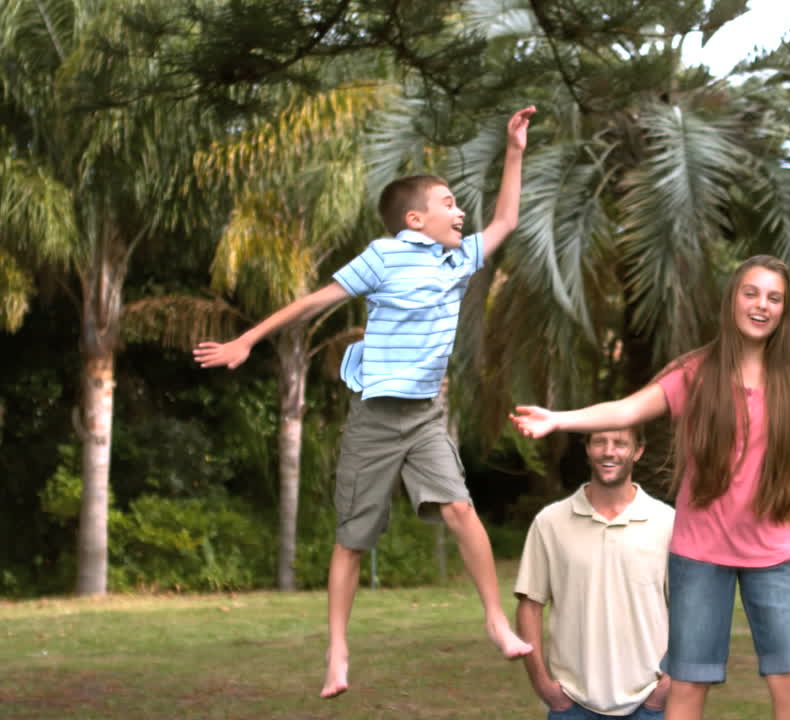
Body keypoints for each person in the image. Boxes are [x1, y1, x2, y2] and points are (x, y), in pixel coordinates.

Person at [194, 106, 538, 699]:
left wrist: (514, 150)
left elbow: (507, 218)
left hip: (425, 416)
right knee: (352, 539)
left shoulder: (459, 258)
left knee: (460, 509)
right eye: (449, 203)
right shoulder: (383, 255)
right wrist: (246, 340)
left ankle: (495, 621)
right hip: (375, 419)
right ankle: (337, 652)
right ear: (414, 219)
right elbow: (315, 301)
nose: (461, 212)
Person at [509, 255, 790, 720]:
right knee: (688, 685)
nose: (761, 305)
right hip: (700, 555)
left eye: (774, 298)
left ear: (784, 310)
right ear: (732, 300)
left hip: (775, 555)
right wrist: (558, 419)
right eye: (751, 293)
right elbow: (627, 410)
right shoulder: (694, 372)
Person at [514, 426, 675, 719]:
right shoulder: (550, 522)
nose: (608, 451)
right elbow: (530, 606)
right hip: (571, 704)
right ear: (587, 448)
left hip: (649, 704)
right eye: (600, 442)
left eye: (620, 443)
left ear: (638, 451)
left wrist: (669, 683)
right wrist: (542, 684)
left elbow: (689, 610)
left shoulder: (667, 522)